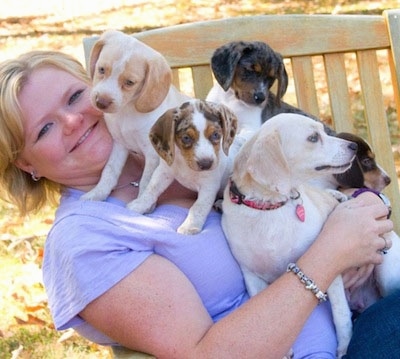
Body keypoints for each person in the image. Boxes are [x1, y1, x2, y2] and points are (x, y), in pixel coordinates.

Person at [0, 49, 395, 359]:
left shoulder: (193, 148)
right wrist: (330, 256)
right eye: (45, 129)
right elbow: (208, 354)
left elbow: (316, 181)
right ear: (25, 163)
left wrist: (362, 217)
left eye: (74, 96)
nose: (73, 121)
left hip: (367, 310)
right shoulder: (84, 240)